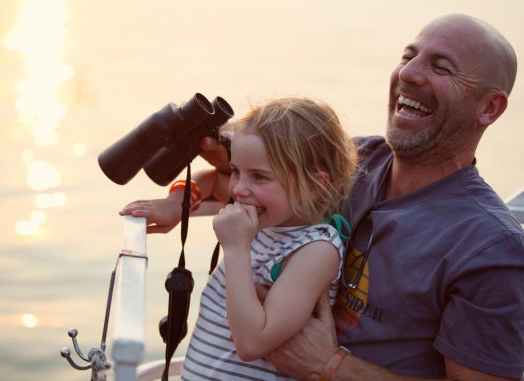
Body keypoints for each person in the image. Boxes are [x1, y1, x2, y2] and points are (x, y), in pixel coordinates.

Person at [121, 13, 524, 381]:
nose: (409, 73)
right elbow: (236, 188)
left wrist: (329, 365)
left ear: (489, 107)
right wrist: (182, 197)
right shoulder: (355, 160)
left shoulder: (490, 248)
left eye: (440, 66)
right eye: (408, 56)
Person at [122, 97, 358, 379]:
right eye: (236, 171)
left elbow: (252, 343)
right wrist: (175, 203)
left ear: (316, 185)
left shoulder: (316, 250)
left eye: (259, 176)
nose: (239, 189)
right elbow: (209, 179)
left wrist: (236, 249)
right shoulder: (266, 215)